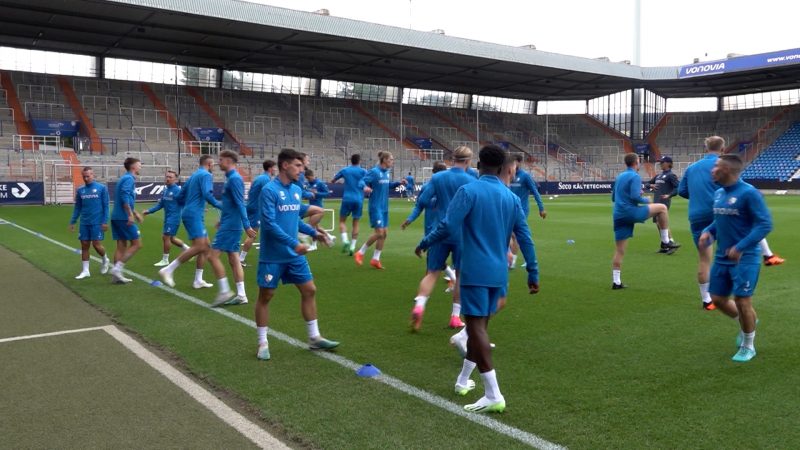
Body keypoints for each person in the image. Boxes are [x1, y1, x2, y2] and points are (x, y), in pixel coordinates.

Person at [416, 145, 539, 414]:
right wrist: (533, 271)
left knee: (476, 330)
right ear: (502, 167)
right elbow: (525, 237)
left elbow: (448, 225)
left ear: (480, 164)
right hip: (499, 273)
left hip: (474, 271)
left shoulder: (469, 191)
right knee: (478, 328)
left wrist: (425, 241)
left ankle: (493, 393)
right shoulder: (510, 198)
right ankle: (462, 380)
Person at [254, 148, 338, 361]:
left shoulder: (296, 190)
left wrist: (314, 233)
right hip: (273, 255)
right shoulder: (269, 190)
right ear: (285, 165)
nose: (302, 170)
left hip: (294, 255)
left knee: (309, 290)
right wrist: (294, 243)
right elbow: (270, 224)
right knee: (266, 296)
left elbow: (294, 219)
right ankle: (262, 342)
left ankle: (314, 337)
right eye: (298, 166)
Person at [698, 154, 772, 362]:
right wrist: (708, 232)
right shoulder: (719, 193)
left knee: (742, 300)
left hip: (745, 257)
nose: (712, 170)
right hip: (722, 257)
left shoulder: (749, 194)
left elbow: (764, 225)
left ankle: (748, 345)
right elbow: (719, 219)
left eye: (716, 167)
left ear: (728, 170)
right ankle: (747, 321)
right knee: (717, 299)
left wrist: (740, 247)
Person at [403, 147, 476, 330]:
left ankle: (419, 306)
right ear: (468, 161)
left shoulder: (437, 178)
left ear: (452, 159)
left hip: (439, 230)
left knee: (432, 273)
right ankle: (454, 316)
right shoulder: (472, 180)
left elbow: (423, 201)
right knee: (460, 275)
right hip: (461, 233)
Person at [611, 153, 678, 289]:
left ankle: (616, 281)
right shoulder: (635, 176)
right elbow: (635, 197)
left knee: (619, 250)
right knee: (662, 208)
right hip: (630, 212)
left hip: (618, 215)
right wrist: (646, 200)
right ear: (636, 162)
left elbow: (614, 198)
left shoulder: (619, 176)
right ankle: (666, 241)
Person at [159, 155, 222, 289]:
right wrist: (220, 205)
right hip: (194, 214)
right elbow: (207, 194)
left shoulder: (193, 176)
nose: (214, 167)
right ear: (209, 164)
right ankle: (168, 270)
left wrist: (190, 205)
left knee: (206, 247)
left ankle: (198, 280)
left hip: (191, 213)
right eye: (214, 165)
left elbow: (180, 196)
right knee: (199, 246)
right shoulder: (206, 175)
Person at [208, 150, 257, 306]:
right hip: (228, 223)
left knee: (212, 256)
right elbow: (230, 204)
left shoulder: (235, 179)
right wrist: (222, 220)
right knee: (233, 259)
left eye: (221, 160)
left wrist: (247, 225)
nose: (218, 162)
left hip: (231, 226)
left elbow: (240, 203)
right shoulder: (230, 178)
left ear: (229, 161)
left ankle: (224, 291)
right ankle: (242, 295)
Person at [678, 137, 722, 309]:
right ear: (723, 148)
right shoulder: (722, 165)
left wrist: (698, 196)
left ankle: (706, 300)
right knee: (731, 251)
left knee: (704, 259)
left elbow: (682, 191)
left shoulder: (692, 168)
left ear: (706, 148)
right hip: (720, 213)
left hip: (697, 215)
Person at [355, 151, 406, 269]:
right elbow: (361, 181)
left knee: (384, 234)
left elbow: (387, 185)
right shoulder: (374, 171)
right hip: (375, 207)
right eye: (391, 159)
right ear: (384, 160)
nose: (392, 161)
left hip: (384, 208)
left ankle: (375, 259)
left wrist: (399, 183)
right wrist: (365, 187)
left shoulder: (386, 173)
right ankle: (360, 252)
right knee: (379, 233)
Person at [69, 166, 110, 279]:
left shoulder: (102, 188)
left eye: (88, 176)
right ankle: (86, 270)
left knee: (96, 245)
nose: (86, 178)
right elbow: (77, 207)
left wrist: (105, 221)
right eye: (84, 176)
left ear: (93, 175)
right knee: (84, 245)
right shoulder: (80, 190)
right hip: (84, 222)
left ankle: (105, 259)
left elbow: (106, 206)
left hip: (97, 222)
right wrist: (73, 221)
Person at [144, 170, 190, 267]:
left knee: (165, 237)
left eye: (170, 177)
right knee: (172, 238)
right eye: (167, 177)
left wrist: (197, 208)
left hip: (174, 218)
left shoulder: (177, 190)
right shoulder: (165, 190)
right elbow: (161, 204)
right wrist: (149, 211)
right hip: (167, 217)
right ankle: (187, 249)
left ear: (175, 179)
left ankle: (165, 259)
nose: (168, 179)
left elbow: (186, 201)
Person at [508, 153, 546, 269]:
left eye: (514, 162)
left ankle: (512, 262)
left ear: (519, 162)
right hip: (508, 209)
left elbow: (535, 192)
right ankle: (521, 258)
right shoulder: (508, 175)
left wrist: (541, 208)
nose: (512, 165)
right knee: (510, 235)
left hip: (522, 210)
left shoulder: (525, 176)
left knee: (515, 235)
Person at [110, 157, 143, 284]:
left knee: (121, 246)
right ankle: (117, 269)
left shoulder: (125, 178)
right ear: (133, 167)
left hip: (117, 216)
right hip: (123, 217)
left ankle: (116, 277)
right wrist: (130, 214)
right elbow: (124, 197)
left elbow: (126, 198)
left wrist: (135, 212)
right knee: (137, 244)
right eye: (139, 165)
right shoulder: (129, 179)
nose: (140, 167)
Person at [240, 160, 276, 267]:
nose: (275, 170)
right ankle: (240, 259)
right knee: (252, 234)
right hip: (256, 209)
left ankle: (268, 251)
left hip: (253, 206)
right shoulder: (265, 179)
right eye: (274, 167)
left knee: (265, 229)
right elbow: (269, 194)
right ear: (270, 168)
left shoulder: (260, 177)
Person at [331, 154, 368, 256]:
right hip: (359, 199)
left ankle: (345, 240)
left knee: (342, 221)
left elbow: (333, 180)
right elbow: (368, 182)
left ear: (350, 161)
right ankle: (352, 246)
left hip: (347, 198)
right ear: (359, 161)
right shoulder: (363, 171)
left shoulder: (345, 170)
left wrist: (335, 182)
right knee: (355, 223)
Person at [646, 155, 680, 254]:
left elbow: (678, 188)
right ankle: (665, 244)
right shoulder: (658, 176)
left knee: (661, 222)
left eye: (662, 162)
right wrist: (651, 185)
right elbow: (647, 184)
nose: (660, 163)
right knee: (658, 223)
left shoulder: (671, 175)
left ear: (668, 164)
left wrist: (669, 195)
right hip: (656, 201)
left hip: (664, 201)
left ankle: (671, 242)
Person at [304, 169, 331, 251]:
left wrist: (316, 193)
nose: (308, 180)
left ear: (312, 176)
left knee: (312, 226)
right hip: (311, 207)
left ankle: (314, 244)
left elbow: (327, 193)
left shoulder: (320, 183)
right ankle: (329, 236)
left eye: (309, 178)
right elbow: (308, 194)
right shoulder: (308, 184)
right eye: (307, 179)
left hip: (318, 208)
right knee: (316, 226)